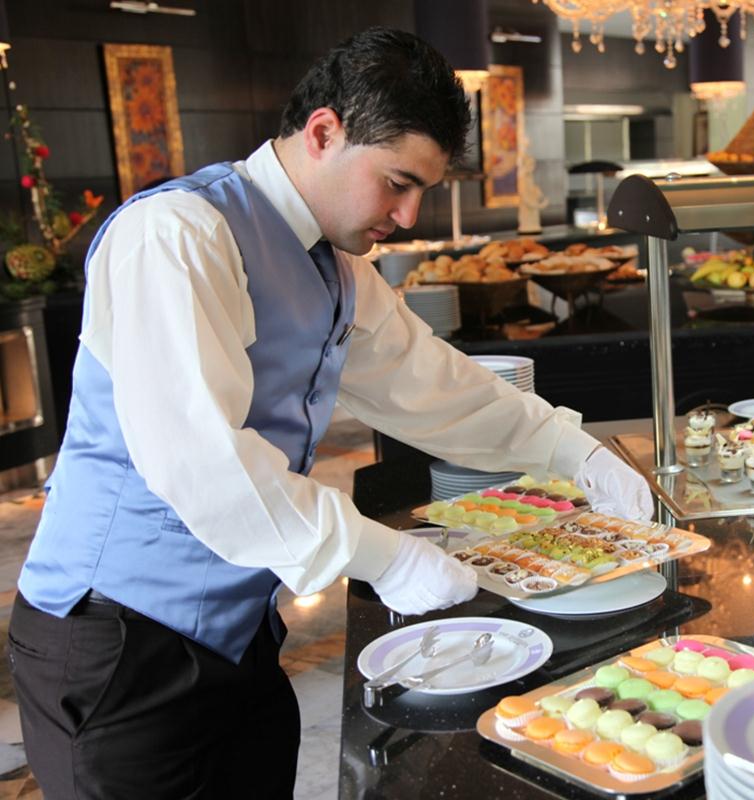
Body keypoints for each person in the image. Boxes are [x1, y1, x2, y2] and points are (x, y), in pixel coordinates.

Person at [9, 27, 652, 799]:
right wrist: (387, 558)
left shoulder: (337, 265)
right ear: (323, 132)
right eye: (397, 183)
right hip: (115, 644)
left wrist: (572, 450)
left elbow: (432, 384)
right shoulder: (177, 234)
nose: (408, 215)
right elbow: (203, 464)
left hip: (238, 635)